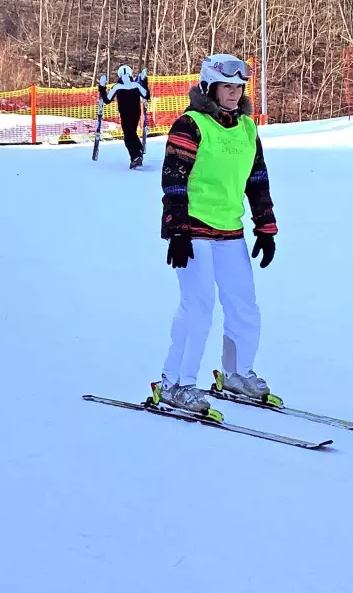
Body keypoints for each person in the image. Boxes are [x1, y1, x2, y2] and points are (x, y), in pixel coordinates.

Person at [153, 53, 278, 414]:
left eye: (239, 86)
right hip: (192, 230)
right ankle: (175, 383)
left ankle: (237, 374)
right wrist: (177, 230)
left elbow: (257, 180)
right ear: (210, 87)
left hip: (230, 231)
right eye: (226, 86)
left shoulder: (247, 128)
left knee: (244, 305)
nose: (234, 92)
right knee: (198, 307)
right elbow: (173, 180)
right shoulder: (190, 124)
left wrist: (265, 227)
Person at [98, 65, 151, 169]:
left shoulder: (117, 86)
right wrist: (144, 82)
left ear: (119, 74)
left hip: (125, 114)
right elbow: (146, 95)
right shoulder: (136, 85)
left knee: (128, 136)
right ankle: (138, 150)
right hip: (136, 114)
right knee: (132, 133)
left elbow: (107, 100)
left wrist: (102, 88)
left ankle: (136, 157)